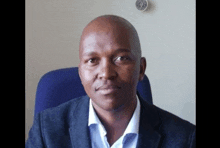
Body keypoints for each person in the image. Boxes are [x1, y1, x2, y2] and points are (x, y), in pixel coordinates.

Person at [26, 15, 196, 148]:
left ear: (141, 69)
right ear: (80, 72)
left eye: (121, 58)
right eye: (92, 60)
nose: (106, 74)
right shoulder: (46, 131)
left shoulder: (184, 138)